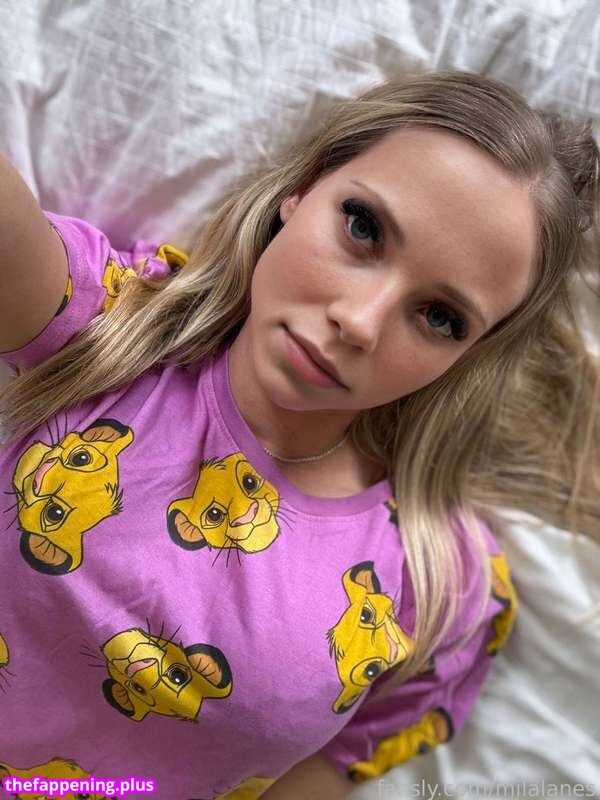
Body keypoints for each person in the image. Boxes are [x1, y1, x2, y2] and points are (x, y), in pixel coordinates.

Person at [0, 69, 598, 800]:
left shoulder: (440, 586)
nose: (360, 321)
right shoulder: (105, 325)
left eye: (441, 317)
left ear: (468, 357)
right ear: (302, 189)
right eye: (364, 228)